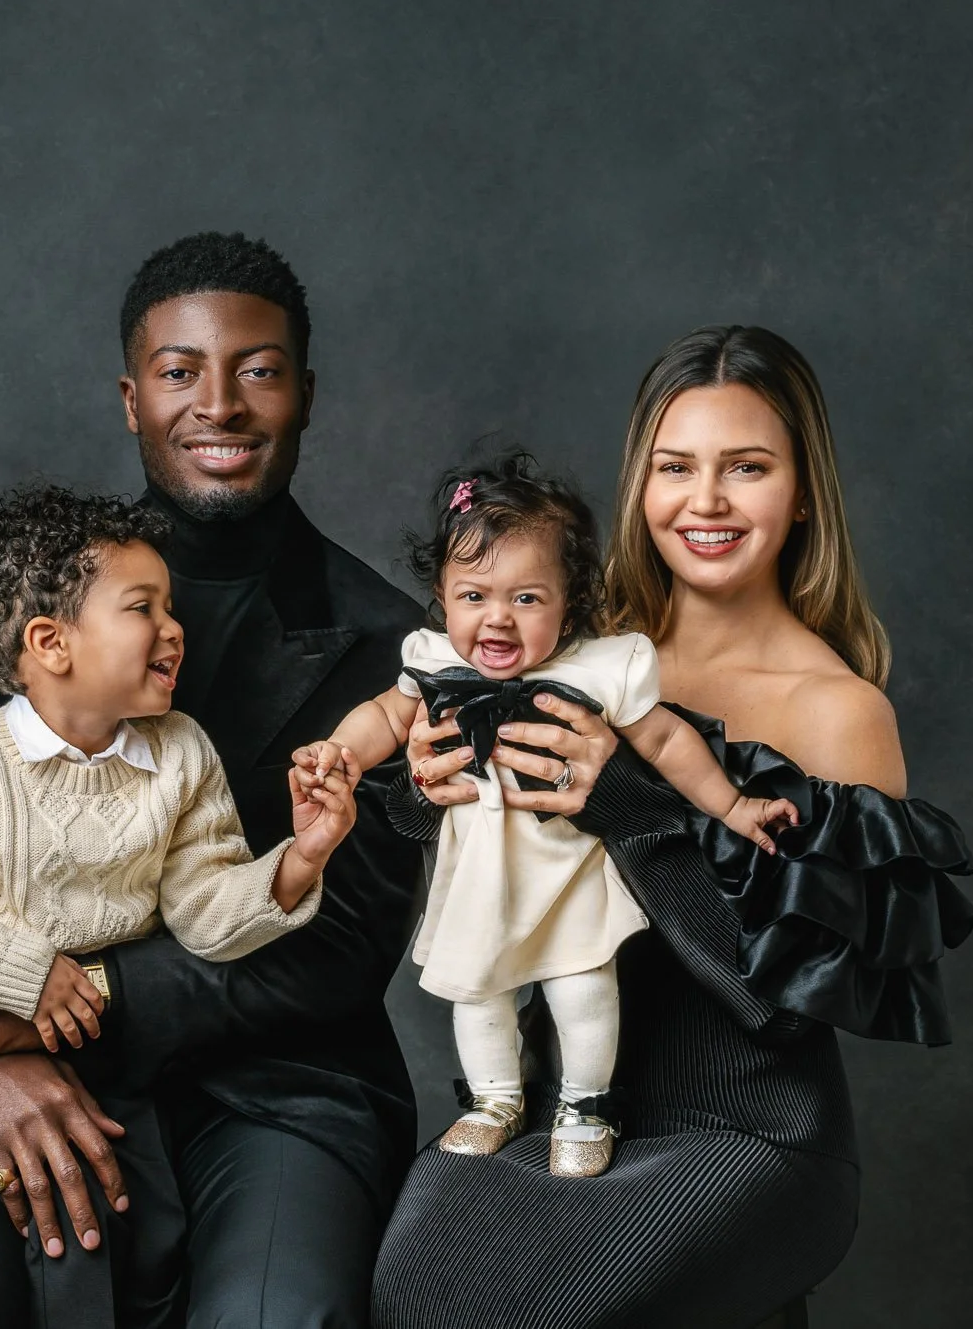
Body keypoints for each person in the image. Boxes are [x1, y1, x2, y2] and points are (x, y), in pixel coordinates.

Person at [0, 232, 428, 1328]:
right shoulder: (40, 595)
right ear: (132, 399)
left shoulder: (392, 650)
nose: (218, 404)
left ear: (307, 396)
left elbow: (332, 948)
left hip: (284, 1084)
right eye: (181, 371)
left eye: (258, 370)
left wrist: (50, 1014)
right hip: (0, 1055)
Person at [370, 326, 973, 1329]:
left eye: (745, 467)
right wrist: (420, 783)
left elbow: (778, 1004)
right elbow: (475, 849)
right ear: (640, 483)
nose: (703, 501)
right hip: (574, 1111)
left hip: (751, 1130)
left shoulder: (838, 712)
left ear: (802, 491)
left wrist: (632, 808)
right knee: (419, 1281)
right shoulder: (561, 650)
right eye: (674, 467)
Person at [293, 454, 797, 1179]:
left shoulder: (596, 667)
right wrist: (341, 751)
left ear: (570, 602)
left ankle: (587, 1101)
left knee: (583, 989)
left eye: (528, 598)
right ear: (441, 593)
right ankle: (495, 1100)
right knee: (481, 990)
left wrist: (732, 803)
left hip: (567, 873)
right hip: (480, 874)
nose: (497, 616)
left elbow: (664, 739)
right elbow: (383, 714)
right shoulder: (432, 659)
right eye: (473, 594)